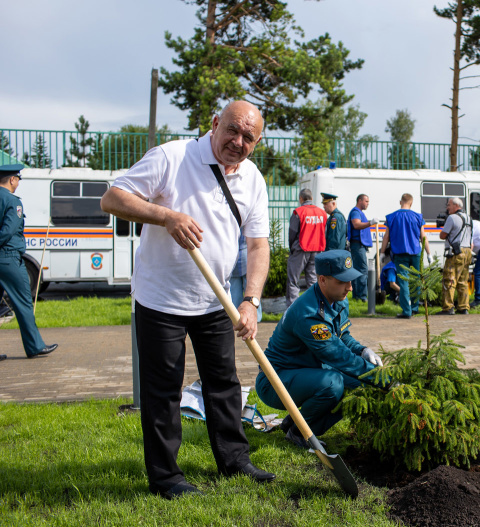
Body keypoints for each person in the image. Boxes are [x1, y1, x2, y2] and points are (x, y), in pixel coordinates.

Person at [100, 101, 276, 500]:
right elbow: (111, 199)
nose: (238, 141)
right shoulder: (172, 157)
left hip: (217, 301)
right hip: (161, 299)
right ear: (214, 124)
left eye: (249, 137)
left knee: (224, 384)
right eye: (232, 130)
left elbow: (257, 244)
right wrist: (166, 216)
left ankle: (234, 461)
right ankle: (167, 477)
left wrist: (250, 299)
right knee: (164, 390)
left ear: (257, 142)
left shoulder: (252, 179)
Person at [255, 250, 383, 448]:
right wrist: (382, 378)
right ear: (322, 280)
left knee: (358, 387)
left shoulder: (339, 299)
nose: (349, 287)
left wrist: (362, 350)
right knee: (334, 383)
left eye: (350, 281)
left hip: (305, 372)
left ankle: (298, 422)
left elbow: (342, 337)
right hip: (275, 380)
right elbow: (338, 356)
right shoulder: (308, 314)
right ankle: (299, 433)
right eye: (342, 281)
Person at [0, 164, 58, 361]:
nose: (17, 183)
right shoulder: (12, 202)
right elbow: (8, 231)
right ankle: (34, 346)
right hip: (8, 258)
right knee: (24, 302)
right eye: (17, 179)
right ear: (12, 180)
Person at [380, 193, 431, 318]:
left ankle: (406, 311)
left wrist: (382, 253)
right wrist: (428, 253)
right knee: (417, 280)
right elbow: (423, 236)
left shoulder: (391, 217)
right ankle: (414, 308)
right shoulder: (418, 217)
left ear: (400, 202)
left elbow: (386, 237)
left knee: (403, 281)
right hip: (416, 252)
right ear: (411, 203)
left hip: (399, 253)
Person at [286, 189, 327, 306]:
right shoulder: (322, 213)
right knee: (313, 280)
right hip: (317, 250)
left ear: (301, 199)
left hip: (301, 248)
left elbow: (292, 233)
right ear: (312, 198)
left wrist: (292, 248)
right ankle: (315, 307)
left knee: (293, 280)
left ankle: (292, 310)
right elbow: (324, 232)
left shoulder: (298, 212)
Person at [437, 197, 473, 315]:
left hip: (456, 252)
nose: (447, 207)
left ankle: (448, 308)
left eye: (449, 205)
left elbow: (443, 235)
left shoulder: (452, 218)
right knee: (463, 280)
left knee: (449, 279)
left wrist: (442, 230)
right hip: (467, 251)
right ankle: (463, 307)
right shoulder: (469, 218)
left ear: (456, 206)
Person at [348, 194, 378, 302]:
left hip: (358, 245)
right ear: (359, 200)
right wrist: (370, 223)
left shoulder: (359, 212)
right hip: (357, 245)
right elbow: (356, 225)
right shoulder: (356, 212)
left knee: (357, 270)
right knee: (362, 270)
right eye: (366, 201)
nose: (367, 204)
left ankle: (357, 296)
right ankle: (362, 296)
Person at [230, 233, 263, 322]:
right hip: (239, 260)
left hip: (244, 259)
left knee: (250, 292)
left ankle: (241, 318)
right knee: (240, 292)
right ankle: (239, 318)